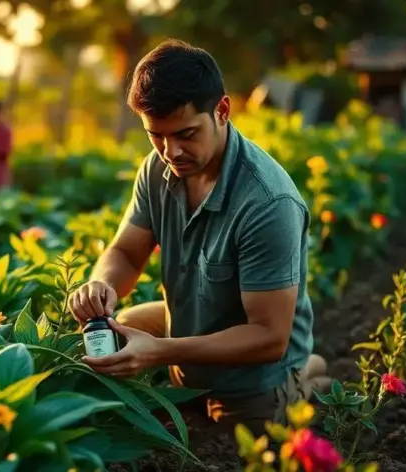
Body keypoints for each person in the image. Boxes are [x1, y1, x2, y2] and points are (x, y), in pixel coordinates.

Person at [70, 39, 331, 435]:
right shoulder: (157, 170)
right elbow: (125, 251)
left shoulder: (267, 202)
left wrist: (159, 352)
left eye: (186, 133)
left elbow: (266, 338)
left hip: (252, 375)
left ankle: (305, 377)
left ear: (222, 111)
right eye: (155, 136)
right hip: (195, 326)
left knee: (238, 435)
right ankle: (304, 364)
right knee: (121, 325)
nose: (170, 151)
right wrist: (100, 286)